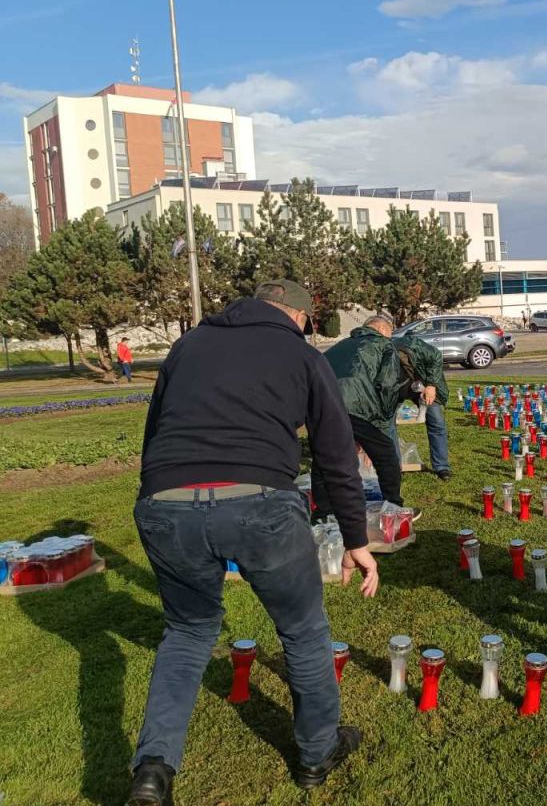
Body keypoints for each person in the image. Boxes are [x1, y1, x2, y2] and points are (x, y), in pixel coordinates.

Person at [126, 280, 378, 806]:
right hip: (260, 503)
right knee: (304, 632)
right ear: (302, 318)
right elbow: (335, 453)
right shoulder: (300, 353)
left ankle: (153, 768)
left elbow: (155, 434)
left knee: (188, 632)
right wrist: (356, 537)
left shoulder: (189, 344)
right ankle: (316, 752)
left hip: (164, 503)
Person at [317, 315, 417, 516]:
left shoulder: (339, 346)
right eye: (389, 334)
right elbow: (387, 385)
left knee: (325, 460)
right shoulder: (383, 346)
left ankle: (323, 512)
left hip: (324, 406)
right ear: (381, 329)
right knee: (386, 456)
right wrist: (381, 421)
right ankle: (393, 506)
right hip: (359, 406)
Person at [391, 334, 452, 480]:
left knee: (436, 421)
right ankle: (394, 467)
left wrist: (431, 385)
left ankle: (441, 466)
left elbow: (436, 357)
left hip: (423, 384)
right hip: (397, 387)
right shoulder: (381, 354)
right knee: (388, 422)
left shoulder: (415, 345)